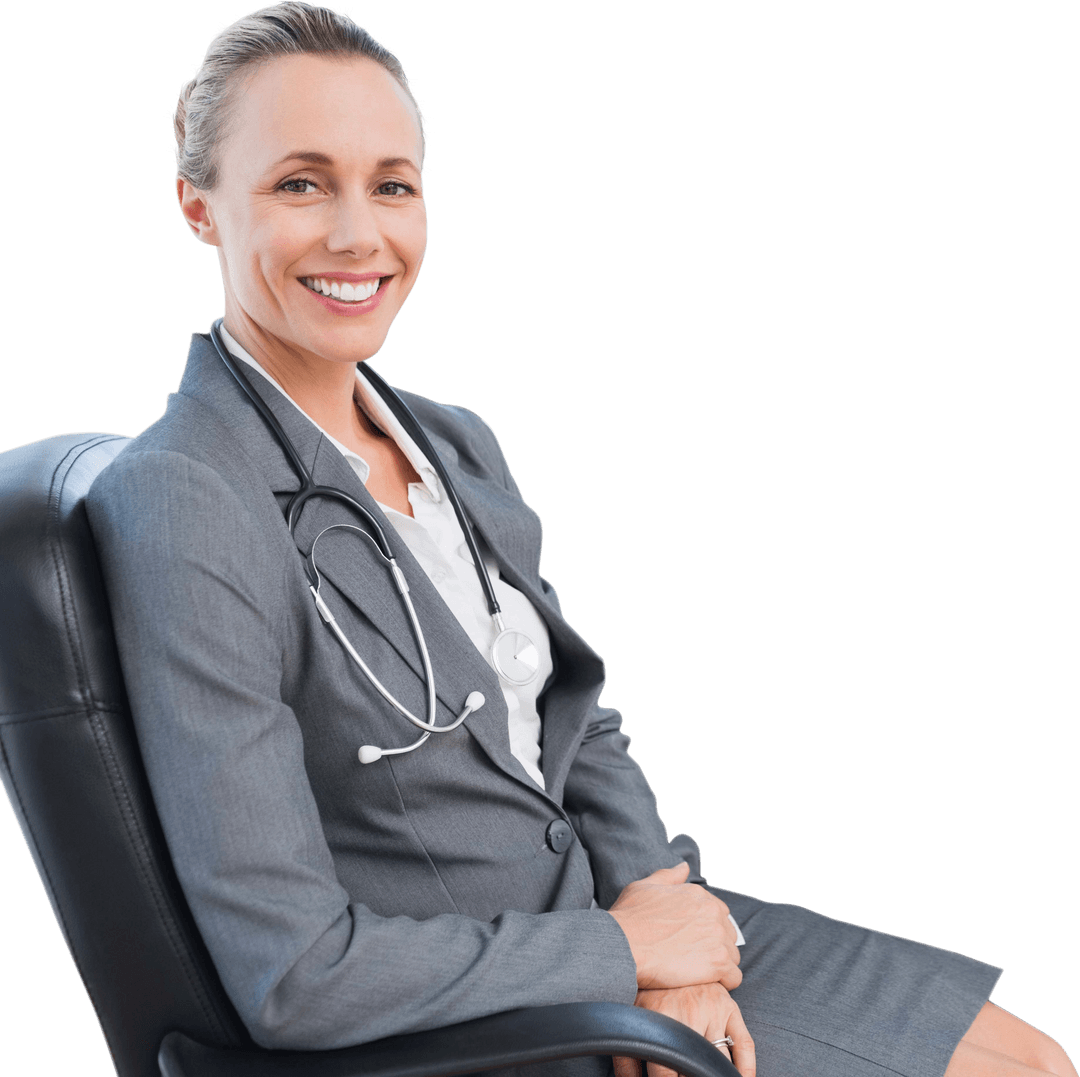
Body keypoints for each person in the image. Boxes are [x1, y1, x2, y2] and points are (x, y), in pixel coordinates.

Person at [84, 4, 1075, 1076]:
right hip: (493, 1012)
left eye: (393, 184)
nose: (358, 234)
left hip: (623, 919)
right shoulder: (190, 500)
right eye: (300, 183)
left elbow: (572, 717)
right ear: (199, 206)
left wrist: (661, 906)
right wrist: (619, 952)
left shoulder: (452, 444)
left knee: (1038, 1061)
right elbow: (294, 975)